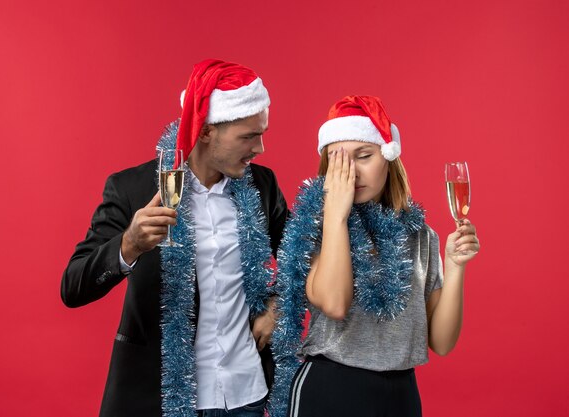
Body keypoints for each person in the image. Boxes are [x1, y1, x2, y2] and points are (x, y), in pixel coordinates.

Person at [61, 59, 288, 417]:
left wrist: (276, 304)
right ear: (206, 130)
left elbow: (301, 259)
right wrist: (129, 245)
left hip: (246, 393)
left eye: (262, 133)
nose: (259, 148)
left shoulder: (262, 186)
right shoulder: (131, 188)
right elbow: (73, 287)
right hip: (160, 398)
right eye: (248, 136)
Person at [269, 96, 480, 417]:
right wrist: (337, 217)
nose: (352, 171)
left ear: (389, 158)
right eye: (339, 161)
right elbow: (335, 304)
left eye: (364, 155)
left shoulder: (421, 236)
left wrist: (454, 266)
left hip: (401, 394)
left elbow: (442, 341)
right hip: (332, 388)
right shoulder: (315, 226)